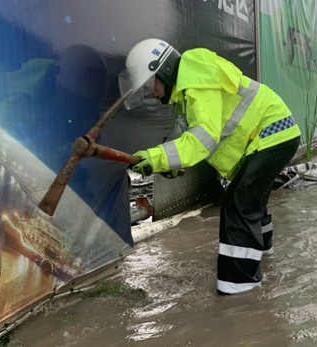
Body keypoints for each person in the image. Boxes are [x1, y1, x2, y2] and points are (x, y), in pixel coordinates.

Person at [122, 38, 301, 295]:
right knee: (250, 202)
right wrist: (168, 163)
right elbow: (182, 134)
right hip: (274, 136)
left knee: (237, 205)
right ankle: (262, 256)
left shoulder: (197, 80)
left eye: (149, 83)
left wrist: (157, 157)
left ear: (163, 69)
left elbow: (202, 140)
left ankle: (239, 290)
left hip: (273, 135)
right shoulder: (188, 89)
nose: (150, 92)